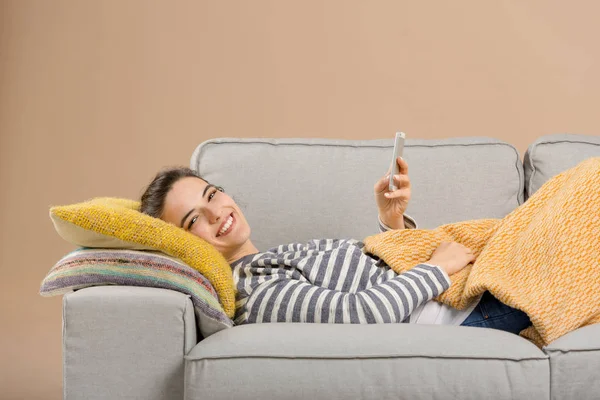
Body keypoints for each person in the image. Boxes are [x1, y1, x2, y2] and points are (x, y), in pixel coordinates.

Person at [140, 157, 531, 334]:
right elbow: (362, 313)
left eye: (212, 195)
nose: (215, 213)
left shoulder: (270, 259)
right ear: (182, 246)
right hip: (466, 308)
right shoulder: (252, 291)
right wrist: (436, 269)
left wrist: (391, 221)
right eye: (193, 220)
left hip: (465, 283)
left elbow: (370, 277)